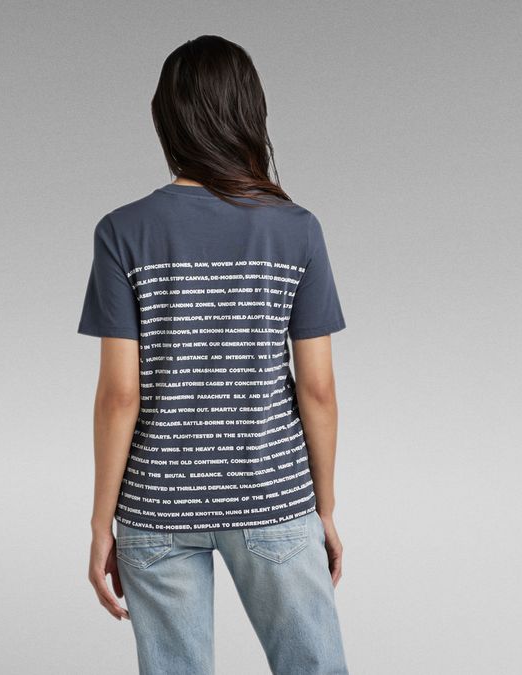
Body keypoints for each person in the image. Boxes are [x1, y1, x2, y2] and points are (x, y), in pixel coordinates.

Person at [76, 35, 351, 675]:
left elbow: (119, 396)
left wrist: (100, 523)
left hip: (156, 504)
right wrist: (324, 510)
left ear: (166, 118)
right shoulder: (297, 228)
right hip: (272, 495)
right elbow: (318, 389)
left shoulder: (123, 231)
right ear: (250, 115)